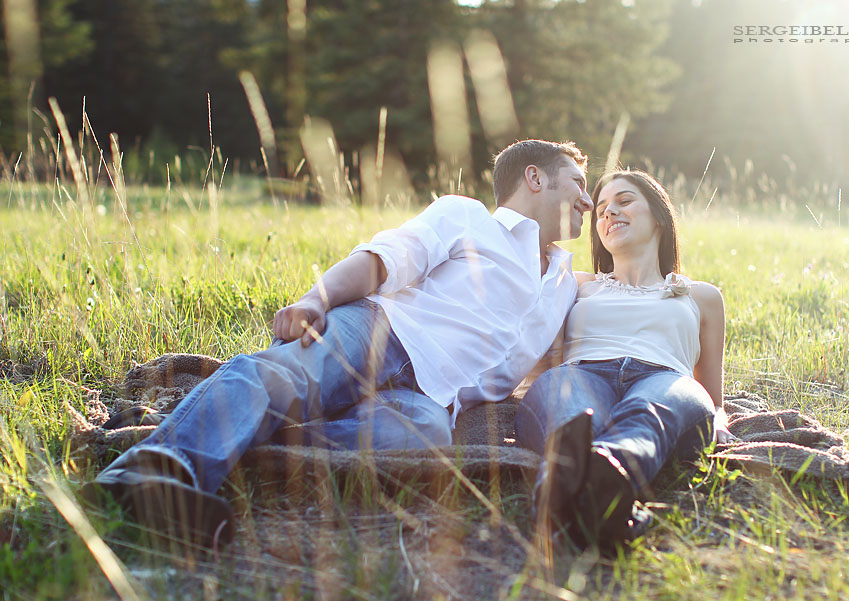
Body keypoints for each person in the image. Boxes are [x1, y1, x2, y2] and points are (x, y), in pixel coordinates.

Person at [85, 139, 594, 548]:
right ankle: (149, 472)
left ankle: (226, 439)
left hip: (431, 397)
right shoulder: (468, 217)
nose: (589, 202)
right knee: (284, 376)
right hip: (381, 331)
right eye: (578, 183)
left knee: (420, 438)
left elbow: (609, 318)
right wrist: (316, 300)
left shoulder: (566, 285)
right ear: (535, 178)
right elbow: (383, 259)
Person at [514, 169, 736, 547]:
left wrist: (719, 420)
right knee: (572, 417)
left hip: (664, 381)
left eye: (624, 201)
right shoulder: (575, 283)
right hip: (582, 374)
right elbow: (538, 351)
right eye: (600, 209)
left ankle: (597, 476)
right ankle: (586, 489)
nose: (608, 212)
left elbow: (714, 400)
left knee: (651, 411)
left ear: (659, 216)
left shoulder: (701, 296)